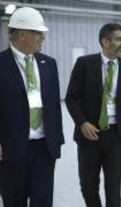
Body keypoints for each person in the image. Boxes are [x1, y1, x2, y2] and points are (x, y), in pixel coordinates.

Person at [65, 23, 121, 207]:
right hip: (90, 135)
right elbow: (71, 98)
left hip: (116, 136)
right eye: (119, 39)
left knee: (113, 190)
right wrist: (82, 123)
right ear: (105, 42)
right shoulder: (85, 64)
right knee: (88, 187)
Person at [0, 7, 64, 207]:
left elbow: (54, 105)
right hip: (11, 150)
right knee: (14, 202)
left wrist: (57, 138)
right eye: (37, 33)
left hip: (44, 149)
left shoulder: (48, 63)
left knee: (43, 202)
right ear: (21, 34)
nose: (42, 37)